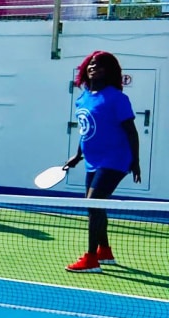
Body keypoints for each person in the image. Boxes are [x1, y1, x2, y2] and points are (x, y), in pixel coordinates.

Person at [63, 51, 140, 273]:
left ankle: (90, 259)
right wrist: (78, 156)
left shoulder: (117, 98)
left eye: (99, 65)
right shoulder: (83, 97)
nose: (93, 68)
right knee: (95, 206)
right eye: (91, 64)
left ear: (109, 71)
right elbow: (85, 130)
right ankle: (104, 251)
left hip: (115, 158)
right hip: (92, 160)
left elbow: (131, 132)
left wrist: (135, 161)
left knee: (93, 204)